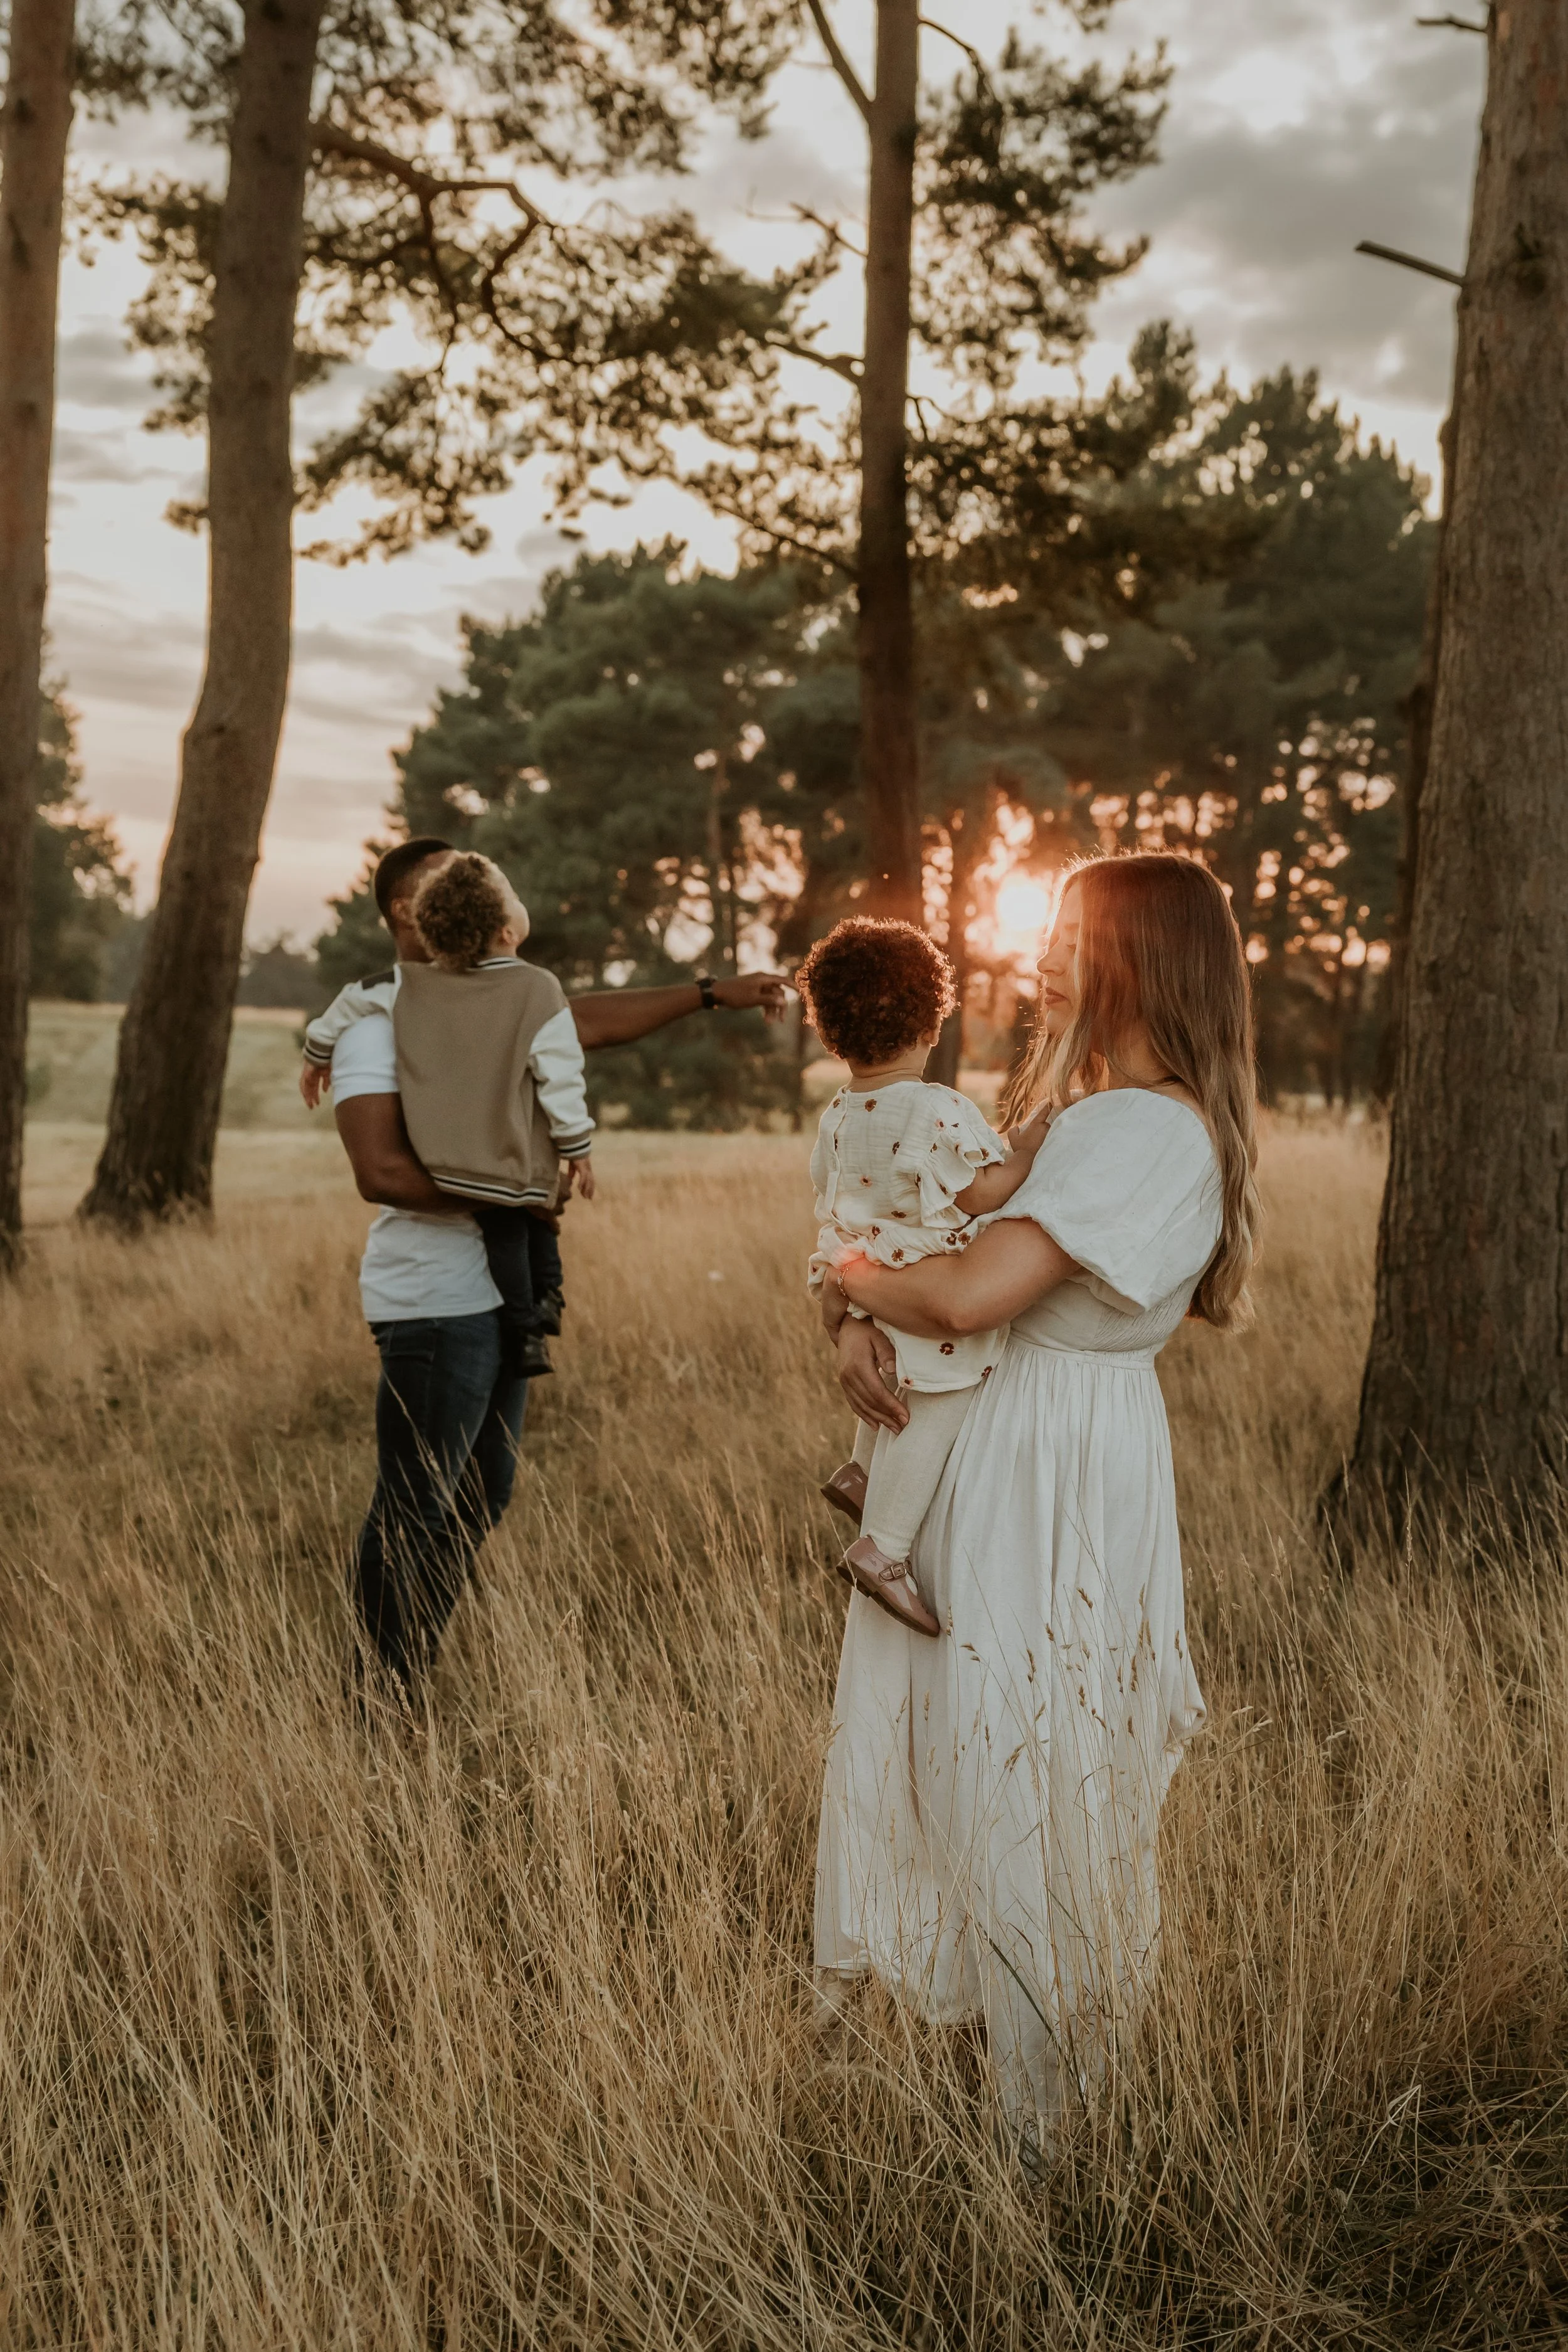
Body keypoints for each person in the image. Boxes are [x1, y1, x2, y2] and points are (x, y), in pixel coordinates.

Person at [814, 851, 1259, 2141]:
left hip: (1042, 1459)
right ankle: (995, 2070)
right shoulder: (1091, 1110)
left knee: (1026, 1755)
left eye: (1071, 934)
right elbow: (921, 1250)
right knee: (990, 1746)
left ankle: (1043, 2117)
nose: (1044, 955)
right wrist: (840, 1309)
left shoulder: (1139, 1126)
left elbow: (958, 1295)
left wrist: (843, 1280)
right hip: (1018, 1444)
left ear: (1140, 956)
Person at [324, 834, 792, 1698]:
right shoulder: (378, 1016)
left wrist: (708, 994)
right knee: (417, 1501)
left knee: (480, 1494)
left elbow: (578, 1019)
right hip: (431, 1295)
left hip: (495, 1292)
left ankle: (407, 1665)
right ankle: (377, 1697)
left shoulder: (496, 1001)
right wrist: (520, 1197)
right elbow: (380, 1172)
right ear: (404, 911)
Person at [796, 916, 1046, 1637]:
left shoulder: (838, 1114)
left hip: (866, 1270)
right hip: (925, 1279)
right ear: (931, 1021)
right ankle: (885, 1552)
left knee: (885, 1388)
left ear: (829, 1031)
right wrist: (1025, 1149)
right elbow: (981, 1194)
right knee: (930, 1406)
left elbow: (833, 1194)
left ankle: (860, 1474)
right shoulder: (938, 1107)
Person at [310, 850, 594, 1379]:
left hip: (452, 1155)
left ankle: (528, 1325)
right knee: (529, 1225)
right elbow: (562, 1075)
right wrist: (577, 1147)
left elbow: (353, 997)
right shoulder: (536, 988)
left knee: (515, 1230)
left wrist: (314, 1050)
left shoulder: (410, 987)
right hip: (443, 1270)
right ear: (507, 931)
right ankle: (542, 1306)